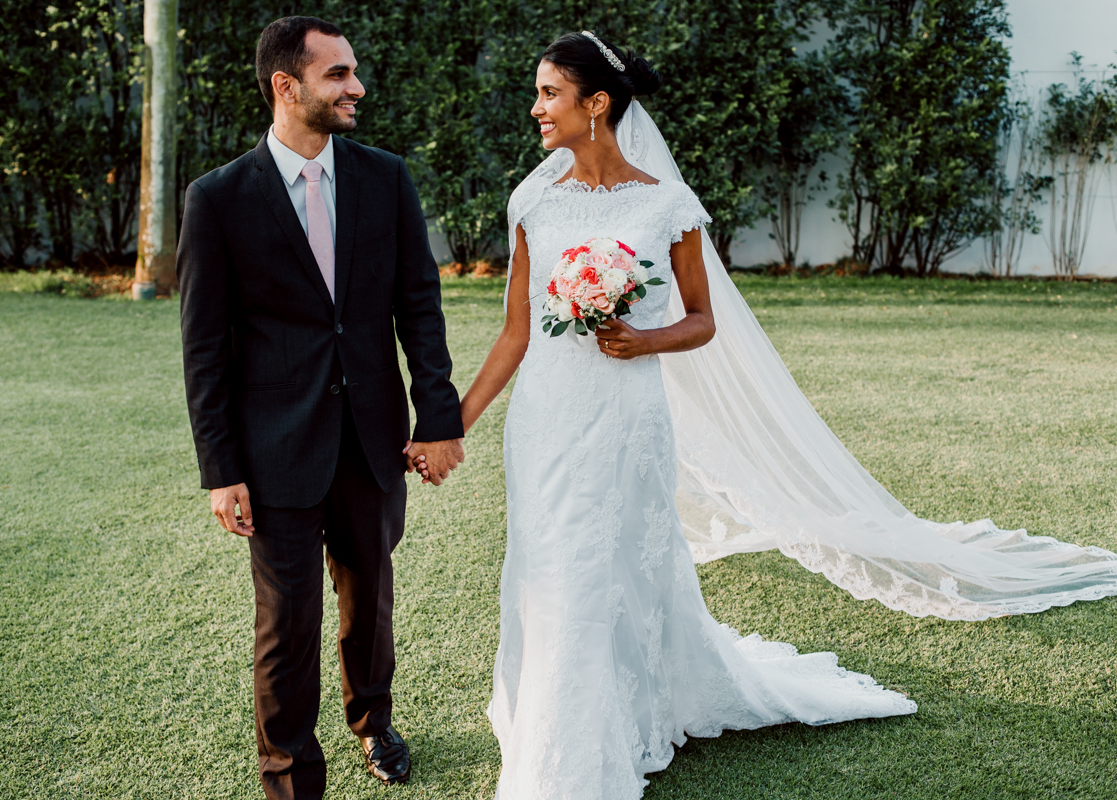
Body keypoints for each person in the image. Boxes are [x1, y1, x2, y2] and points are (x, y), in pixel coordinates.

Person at [439, 32, 919, 800]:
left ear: (596, 105)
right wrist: (454, 422)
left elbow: (702, 319)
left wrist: (645, 337)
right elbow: (515, 332)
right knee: (554, 566)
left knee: (621, 561)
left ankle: (622, 715)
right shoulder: (531, 201)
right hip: (548, 424)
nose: (536, 108)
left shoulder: (667, 206)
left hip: (628, 421)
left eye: (549, 94)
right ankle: (553, 724)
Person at [176, 16, 464, 799]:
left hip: (372, 439)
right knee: (286, 624)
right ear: (287, 85)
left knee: (370, 596)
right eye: (338, 74)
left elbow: (420, 308)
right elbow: (204, 349)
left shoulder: (385, 179)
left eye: (353, 72)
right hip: (273, 451)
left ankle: (373, 720)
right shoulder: (218, 200)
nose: (356, 87)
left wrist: (437, 418)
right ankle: (291, 775)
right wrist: (221, 469)